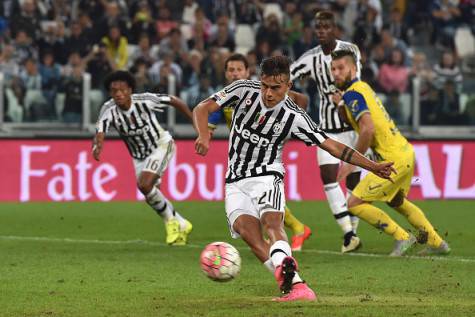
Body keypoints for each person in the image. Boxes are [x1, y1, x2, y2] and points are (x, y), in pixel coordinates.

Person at [193, 55, 396, 301]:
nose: (268, 93)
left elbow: (331, 145)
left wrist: (372, 165)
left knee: (272, 224)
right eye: (264, 86)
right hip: (235, 179)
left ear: (288, 86)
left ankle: (292, 279)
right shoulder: (242, 90)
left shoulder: (293, 116)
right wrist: (204, 135)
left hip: (267, 176)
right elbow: (202, 108)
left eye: (275, 88)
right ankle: (295, 284)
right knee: (248, 233)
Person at [330, 50, 451, 256]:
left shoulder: (353, 93)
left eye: (341, 68)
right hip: (404, 151)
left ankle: (402, 237)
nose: (336, 73)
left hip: (392, 159)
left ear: (353, 68)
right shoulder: (361, 88)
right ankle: (437, 242)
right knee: (397, 202)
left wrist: (352, 162)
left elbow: (367, 129)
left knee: (354, 203)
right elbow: (360, 122)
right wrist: (340, 107)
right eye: (333, 69)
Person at [208, 53, 312, 252]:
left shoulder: (265, 92)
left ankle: (293, 233)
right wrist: (205, 134)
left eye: (239, 69)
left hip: (267, 151)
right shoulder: (229, 97)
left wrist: (288, 129)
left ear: (248, 73)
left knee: (264, 201)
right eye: (231, 70)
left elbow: (302, 100)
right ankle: (294, 232)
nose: (235, 74)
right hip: (245, 153)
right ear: (225, 74)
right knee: (262, 202)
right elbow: (209, 122)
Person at [92, 71, 193, 246]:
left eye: (122, 89)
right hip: (139, 157)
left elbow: (174, 101)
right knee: (150, 193)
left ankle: (171, 222)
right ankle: (182, 223)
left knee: (145, 185)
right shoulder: (108, 109)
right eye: (114, 91)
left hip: (161, 145)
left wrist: (195, 121)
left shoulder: (145, 100)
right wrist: (97, 145)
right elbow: (101, 130)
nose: (118, 94)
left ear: (130, 89)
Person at [290, 11, 363, 253]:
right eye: (318, 27)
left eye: (326, 27)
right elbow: (287, 75)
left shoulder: (351, 50)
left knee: (353, 181)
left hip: (352, 127)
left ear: (334, 29)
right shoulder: (310, 58)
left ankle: (353, 231)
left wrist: (343, 98)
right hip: (328, 128)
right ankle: (348, 234)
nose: (321, 30)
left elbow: (357, 80)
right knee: (329, 177)